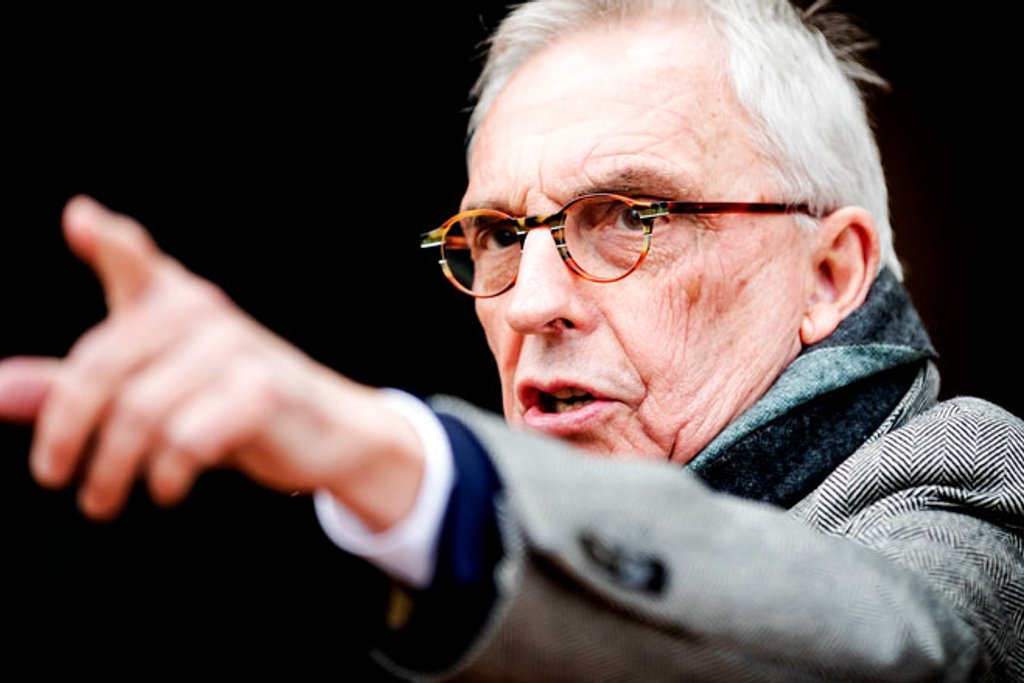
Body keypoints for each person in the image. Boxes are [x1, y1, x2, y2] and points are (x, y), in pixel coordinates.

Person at [1, 0, 1021, 680]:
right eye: (495, 235)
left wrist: (411, 464)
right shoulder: (456, 597)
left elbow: (905, 650)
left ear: (828, 274)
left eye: (627, 215)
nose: (531, 301)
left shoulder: (971, 484)